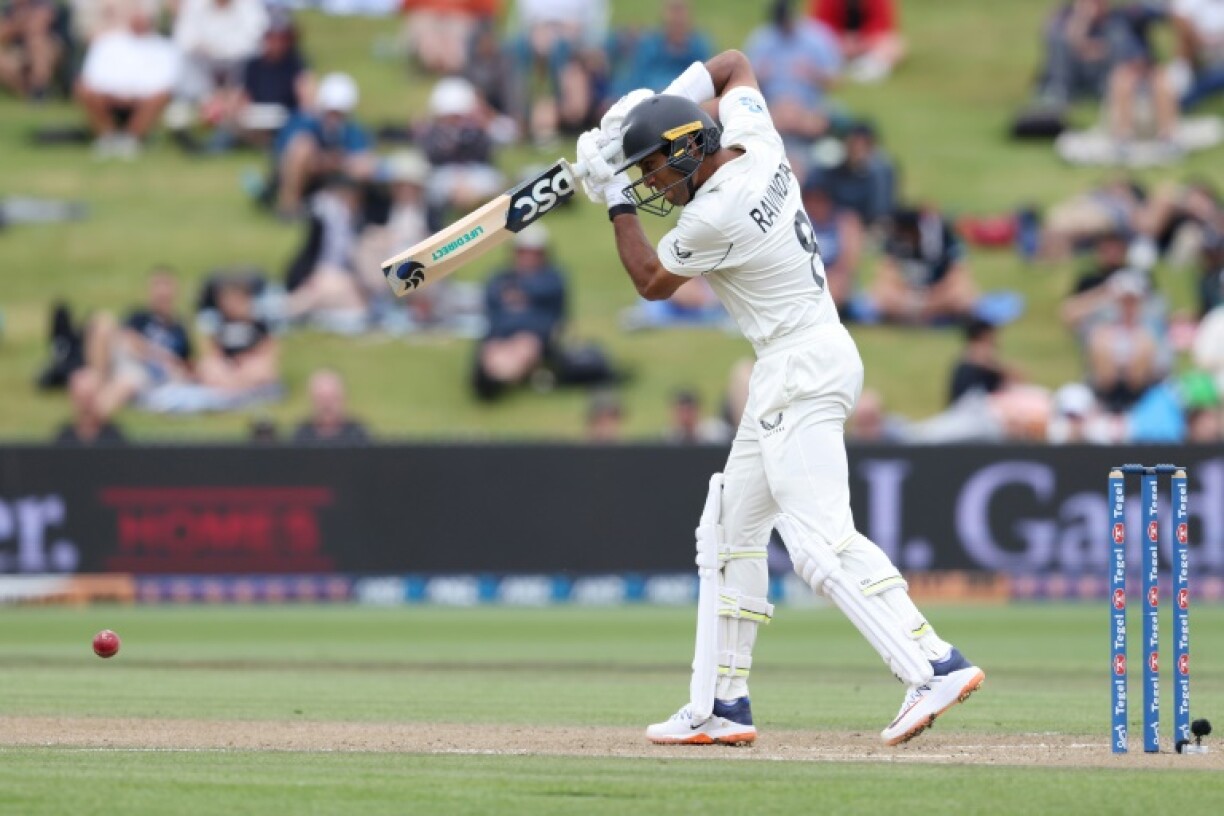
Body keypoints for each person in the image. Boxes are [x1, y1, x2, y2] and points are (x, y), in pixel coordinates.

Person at [574, 49, 983, 747]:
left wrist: (612, 193)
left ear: (687, 153)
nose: (650, 185)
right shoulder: (758, 142)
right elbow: (734, 65)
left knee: (819, 542)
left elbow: (648, 280)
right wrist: (643, 117)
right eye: (640, 176)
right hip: (802, 358)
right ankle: (722, 702)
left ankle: (933, 664)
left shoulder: (715, 215)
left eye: (653, 169)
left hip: (799, 368)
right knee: (729, 531)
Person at [472, 225, 567, 400]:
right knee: (493, 350)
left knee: (523, 347)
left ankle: (498, 380)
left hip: (532, 337)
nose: (527, 257)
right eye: (523, 252)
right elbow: (490, 301)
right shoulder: (499, 278)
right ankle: (492, 378)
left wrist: (521, 291)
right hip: (500, 336)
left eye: (533, 253)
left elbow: (555, 308)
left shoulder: (552, 279)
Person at [292, 369, 370, 444]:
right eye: (321, 399)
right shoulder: (300, 438)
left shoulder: (359, 437)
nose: (327, 405)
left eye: (332, 398)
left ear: (344, 399)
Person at [54, 368, 126, 445]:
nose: (86, 406)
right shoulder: (61, 441)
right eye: (81, 398)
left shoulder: (118, 441)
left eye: (90, 398)